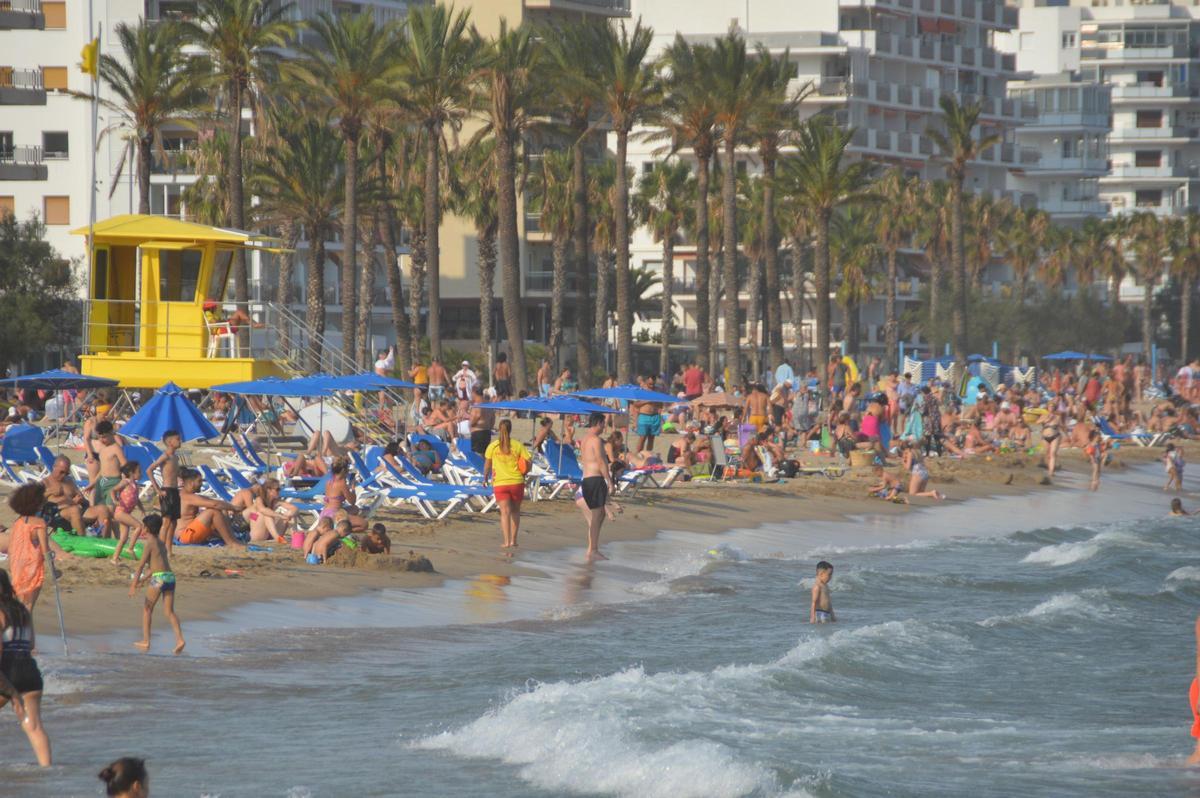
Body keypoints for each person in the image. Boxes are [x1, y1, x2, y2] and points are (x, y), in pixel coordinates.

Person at [0, 569, 52, 766]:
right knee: (34, 726)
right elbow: (30, 645)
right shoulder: (22, 611)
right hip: (30, 672)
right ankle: (47, 771)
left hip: (8, 673)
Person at [128, 515, 185, 655]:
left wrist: (133, 586)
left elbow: (141, 566)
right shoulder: (161, 543)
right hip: (170, 577)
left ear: (147, 528)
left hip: (159, 579)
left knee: (147, 609)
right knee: (169, 612)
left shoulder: (149, 544)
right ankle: (180, 640)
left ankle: (146, 641)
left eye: (144, 526)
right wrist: (142, 580)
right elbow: (155, 567)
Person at [7, 483, 69, 611]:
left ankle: (17, 623)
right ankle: (26, 623)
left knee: (18, 602)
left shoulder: (18, 522)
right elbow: (46, 550)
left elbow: (13, 545)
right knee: (29, 605)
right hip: (32, 565)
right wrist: (53, 570)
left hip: (17, 564)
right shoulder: (39, 523)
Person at [484, 418, 530, 550]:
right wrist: (525, 472)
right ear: (510, 430)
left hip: (500, 483)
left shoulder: (493, 446)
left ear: (499, 429)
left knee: (504, 513)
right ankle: (514, 541)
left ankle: (506, 541)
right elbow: (528, 462)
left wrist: (485, 478)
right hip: (516, 482)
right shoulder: (518, 445)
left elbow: (487, 465)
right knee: (515, 511)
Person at [43, 455, 113, 537]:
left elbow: (81, 498)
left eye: (66, 473)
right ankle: (82, 539)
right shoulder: (45, 483)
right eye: (61, 472)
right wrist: (50, 493)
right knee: (75, 510)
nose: (64, 475)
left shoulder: (69, 481)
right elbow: (38, 505)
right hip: (59, 515)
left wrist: (81, 499)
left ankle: (105, 540)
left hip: (78, 510)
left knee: (103, 509)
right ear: (54, 467)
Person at [176, 468, 245, 548]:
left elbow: (215, 502)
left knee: (221, 508)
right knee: (213, 511)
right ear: (191, 483)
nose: (201, 484)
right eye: (199, 481)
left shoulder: (187, 495)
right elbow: (215, 504)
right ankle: (231, 542)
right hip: (186, 536)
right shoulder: (187, 496)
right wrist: (235, 508)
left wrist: (231, 508)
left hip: (190, 532)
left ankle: (232, 539)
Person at [579, 412, 614, 561]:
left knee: (599, 514)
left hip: (587, 480)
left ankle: (592, 548)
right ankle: (593, 550)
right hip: (595, 479)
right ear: (598, 423)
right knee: (597, 515)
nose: (604, 427)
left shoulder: (585, 439)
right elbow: (601, 462)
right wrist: (609, 481)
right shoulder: (596, 440)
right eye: (603, 424)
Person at [148, 430, 182, 554]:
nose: (180, 441)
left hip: (175, 490)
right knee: (166, 521)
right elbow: (149, 470)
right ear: (170, 442)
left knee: (174, 522)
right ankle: (160, 549)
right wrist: (157, 490)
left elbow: (174, 473)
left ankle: (169, 550)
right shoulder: (165, 456)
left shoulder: (175, 457)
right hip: (167, 490)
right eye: (178, 439)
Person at [109, 461, 146, 564]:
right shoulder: (126, 482)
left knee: (123, 538)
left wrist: (142, 509)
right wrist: (114, 500)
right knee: (139, 526)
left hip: (125, 513)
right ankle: (130, 548)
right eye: (139, 471)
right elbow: (113, 490)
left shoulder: (135, 485)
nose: (141, 473)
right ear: (131, 473)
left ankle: (114, 558)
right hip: (120, 512)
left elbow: (136, 499)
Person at [468, 385, 495, 456]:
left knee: (477, 456)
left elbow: (477, 415)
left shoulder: (478, 405)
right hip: (487, 432)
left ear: (474, 393)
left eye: (471, 393)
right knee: (485, 454)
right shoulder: (488, 404)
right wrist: (489, 427)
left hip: (478, 432)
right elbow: (493, 418)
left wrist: (471, 424)